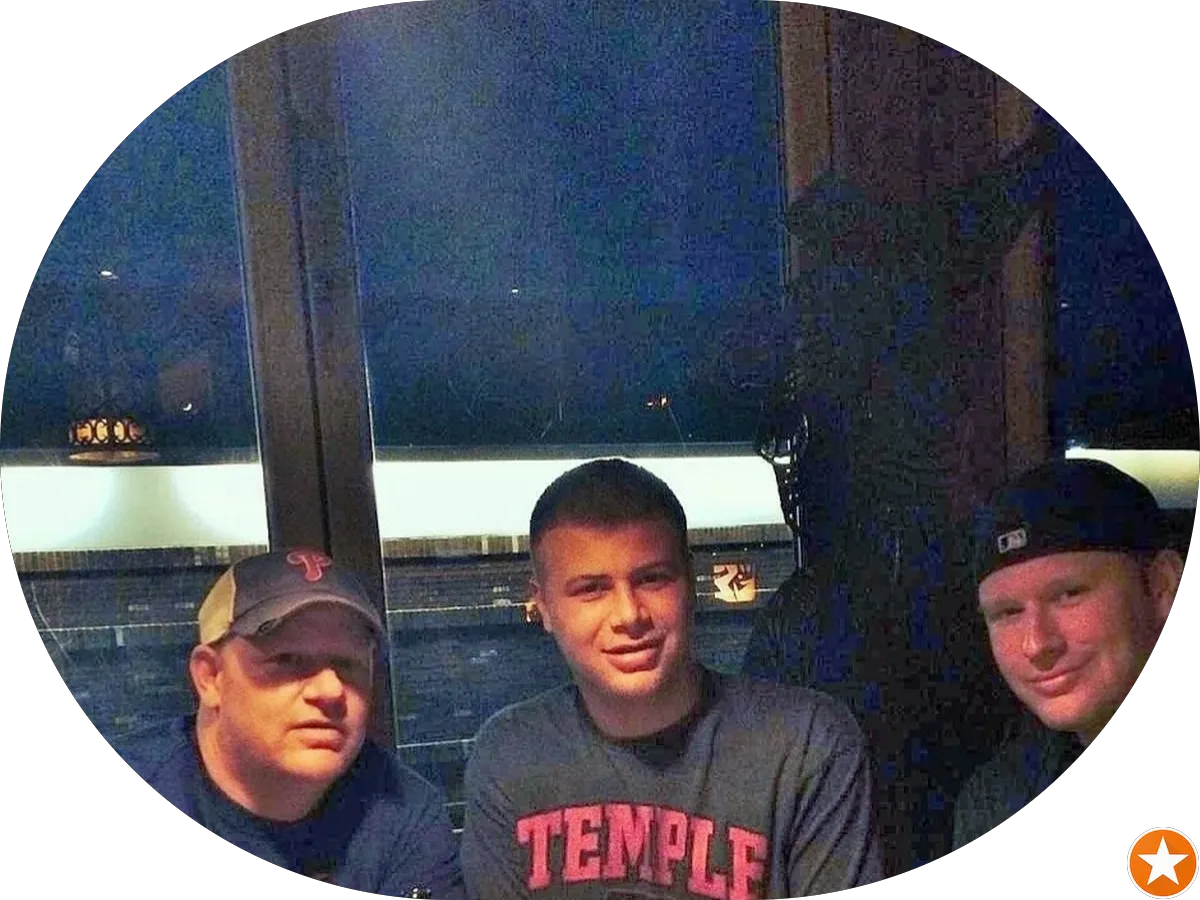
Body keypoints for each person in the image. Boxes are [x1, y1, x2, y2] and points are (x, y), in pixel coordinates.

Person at [461, 458, 883, 899]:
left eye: (652, 579)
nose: (629, 615)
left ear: (690, 584)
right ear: (543, 605)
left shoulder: (807, 743)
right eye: (591, 589)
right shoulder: (508, 756)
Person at [115, 548, 466, 899]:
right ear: (211, 677)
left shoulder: (403, 810)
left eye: (348, 664)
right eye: (288, 659)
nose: (330, 690)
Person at [952, 458, 1185, 848]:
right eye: (1007, 613)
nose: (1037, 644)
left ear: (1161, 585)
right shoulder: (999, 796)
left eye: (1068, 594)